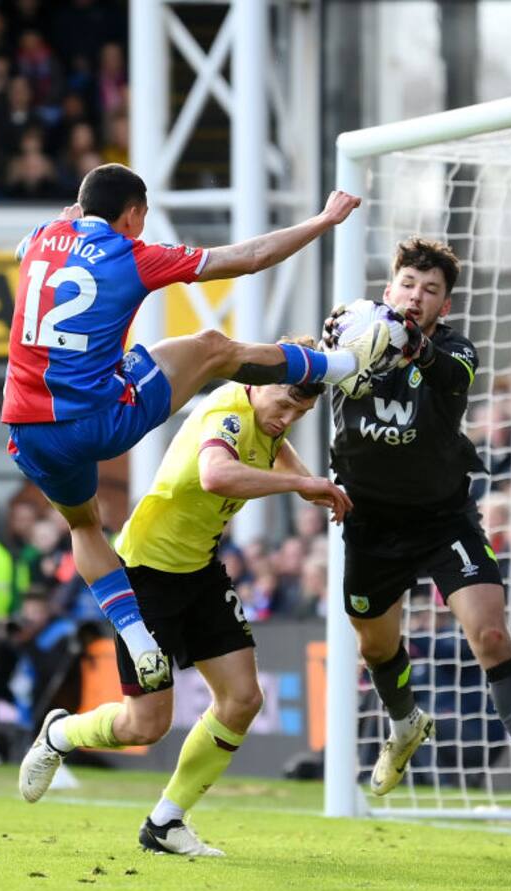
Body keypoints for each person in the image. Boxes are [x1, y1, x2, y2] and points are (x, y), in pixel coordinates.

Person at [2, 163, 391, 699]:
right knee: (211, 348)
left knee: (84, 528)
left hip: (27, 429)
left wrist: (64, 222)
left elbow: (26, 250)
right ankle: (338, 367)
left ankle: (138, 637)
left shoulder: (45, 238)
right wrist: (323, 220)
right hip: (99, 420)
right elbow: (250, 258)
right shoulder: (133, 254)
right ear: (134, 214)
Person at [17, 341, 349, 857]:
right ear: (256, 381)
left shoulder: (267, 418)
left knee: (243, 700)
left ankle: (166, 822)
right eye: (284, 403)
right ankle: (61, 733)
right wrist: (300, 482)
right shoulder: (226, 412)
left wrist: (302, 478)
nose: (287, 418)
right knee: (143, 724)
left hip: (201, 571)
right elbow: (217, 473)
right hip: (145, 574)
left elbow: (274, 439)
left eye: (300, 412)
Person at [324, 237, 511, 828]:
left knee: (490, 634)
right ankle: (404, 724)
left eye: (431, 291)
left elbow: (441, 369)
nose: (417, 296)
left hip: (444, 520)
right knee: (375, 647)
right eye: (408, 286)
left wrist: (404, 340)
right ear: (388, 291)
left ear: (445, 308)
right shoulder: (348, 345)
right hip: (369, 523)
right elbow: (293, 382)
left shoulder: (457, 352)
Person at [0, 589, 78, 766]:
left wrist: (27, 642)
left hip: (47, 697)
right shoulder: (21, 632)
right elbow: (0, 670)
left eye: (36, 613)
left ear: (47, 613)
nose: (30, 618)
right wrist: (3, 641)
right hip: (20, 691)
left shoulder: (59, 633)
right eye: (27, 612)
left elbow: (48, 672)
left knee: (42, 693)